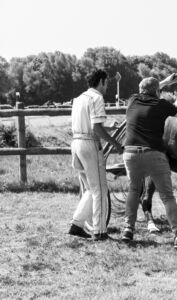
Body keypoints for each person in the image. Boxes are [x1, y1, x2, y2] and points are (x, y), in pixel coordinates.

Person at [120, 76, 177, 249]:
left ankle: (128, 230)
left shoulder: (132, 99)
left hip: (130, 153)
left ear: (141, 90)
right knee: (167, 196)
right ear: (157, 91)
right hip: (153, 153)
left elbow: (149, 88)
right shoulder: (162, 105)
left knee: (134, 190)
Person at [68, 69, 123, 241]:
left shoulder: (78, 99)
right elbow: (96, 128)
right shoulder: (97, 98)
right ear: (101, 81)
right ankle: (100, 231)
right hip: (89, 145)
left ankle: (77, 224)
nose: (107, 86)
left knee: (91, 189)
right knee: (99, 189)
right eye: (106, 82)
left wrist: (109, 127)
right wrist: (116, 144)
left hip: (76, 143)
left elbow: (92, 124)